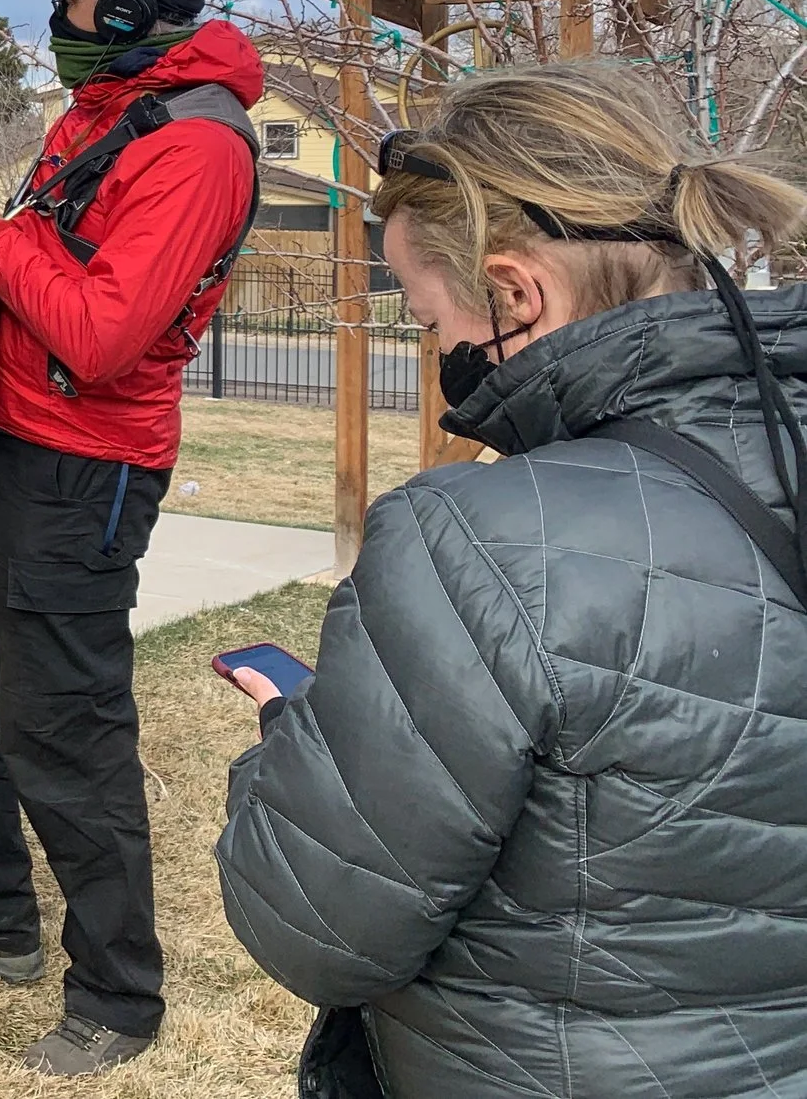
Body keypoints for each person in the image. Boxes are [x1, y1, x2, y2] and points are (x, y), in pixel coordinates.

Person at [216, 67, 807, 1096]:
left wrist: (298, 746)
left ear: (513, 293)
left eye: (427, 316)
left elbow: (313, 925)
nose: (435, 348)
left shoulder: (473, 542)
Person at [0, 0, 262, 1077]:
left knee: (64, 727)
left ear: (134, 13)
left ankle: (116, 995)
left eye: (76, 1)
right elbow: (49, 258)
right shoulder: (99, 116)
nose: (59, 21)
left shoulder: (199, 148)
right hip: (0, 430)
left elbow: (99, 332)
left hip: (84, 465)